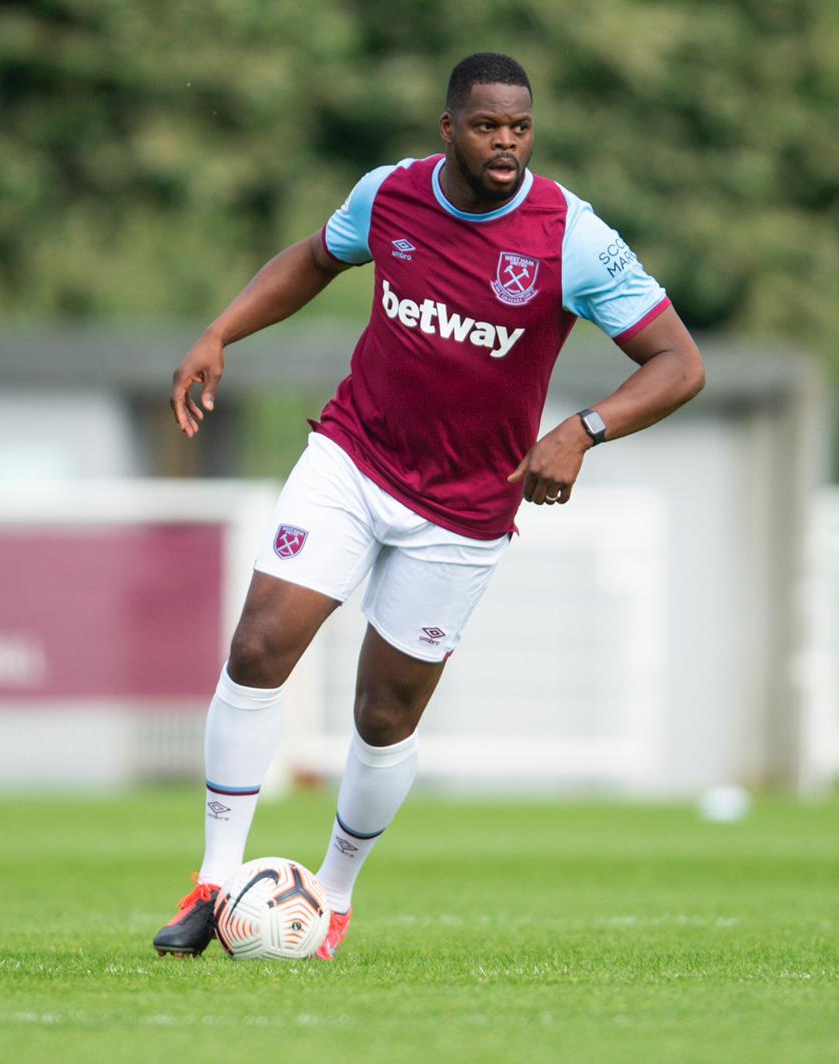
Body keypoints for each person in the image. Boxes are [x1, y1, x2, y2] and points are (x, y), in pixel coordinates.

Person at [152, 52, 705, 959]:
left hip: (464, 508)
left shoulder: (571, 235)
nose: (506, 144)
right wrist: (221, 332)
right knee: (258, 647)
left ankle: (330, 899)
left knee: (384, 714)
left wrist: (584, 430)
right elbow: (314, 259)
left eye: (520, 128)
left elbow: (680, 363)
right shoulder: (390, 194)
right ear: (449, 129)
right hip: (353, 457)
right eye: (487, 127)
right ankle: (213, 884)